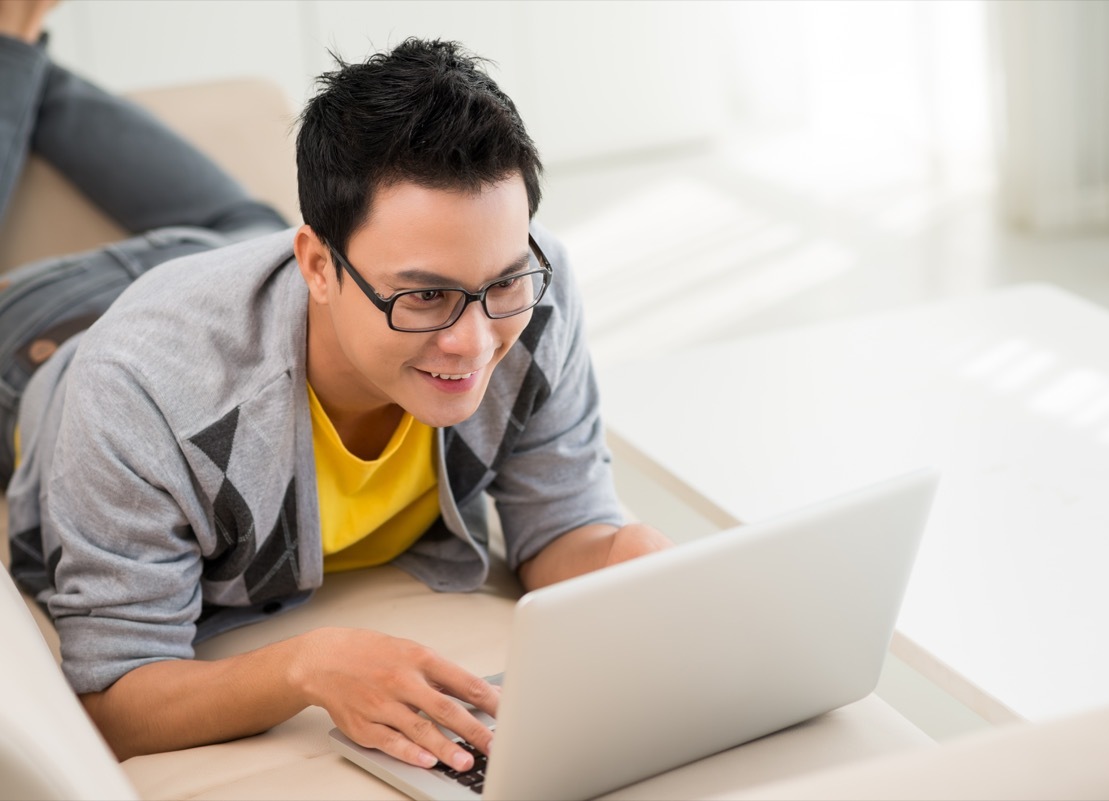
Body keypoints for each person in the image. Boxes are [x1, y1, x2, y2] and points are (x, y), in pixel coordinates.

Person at [0, 1, 672, 774]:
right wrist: (304, 665)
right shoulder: (136, 389)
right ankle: (11, 55)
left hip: (233, 263)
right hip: (41, 336)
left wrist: (631, 557)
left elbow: (562, 524)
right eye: (425, 296)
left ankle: (18, 40)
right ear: (316, 266)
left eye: (502, 282)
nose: (475, 342)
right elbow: (111, 700)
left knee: (238, 218)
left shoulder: (530, 284)